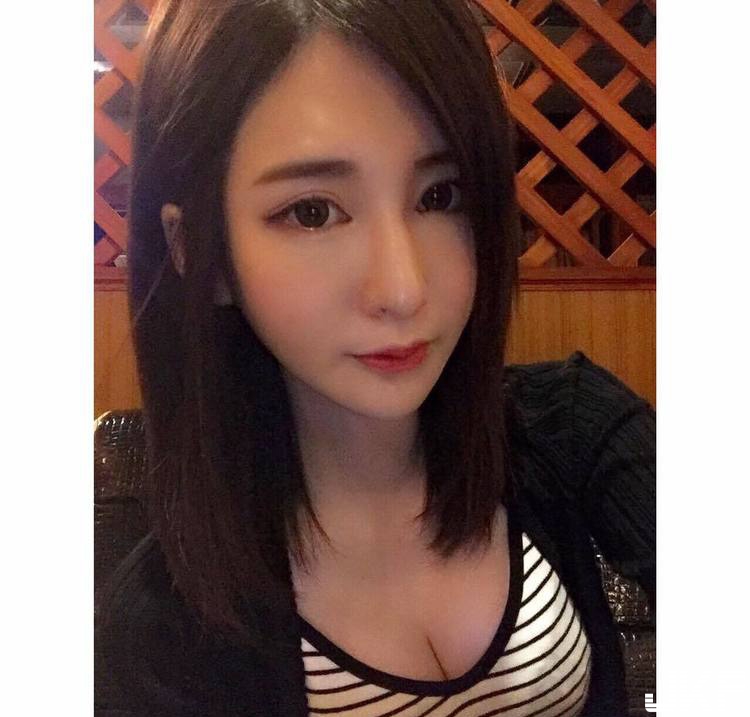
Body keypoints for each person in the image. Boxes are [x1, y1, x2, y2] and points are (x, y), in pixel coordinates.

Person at [98, 1, 656, 716]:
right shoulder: (158, 635)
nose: (402, 288)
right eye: (312, 211)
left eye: (440, 196)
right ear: (198, 252)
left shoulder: (575, 429)